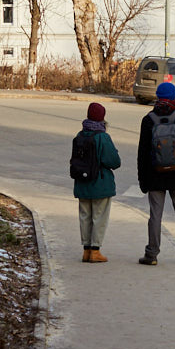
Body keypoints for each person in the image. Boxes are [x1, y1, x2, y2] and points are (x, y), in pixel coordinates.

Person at [137, 81, 175, 265]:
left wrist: (143, 179)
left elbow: (142, 153)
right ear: (174, 97)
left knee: (155, 215)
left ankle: (152, 254)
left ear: (157, 96)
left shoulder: (148, 119)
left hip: (155, 176)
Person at [74, 102, 120, 263]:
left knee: (84, 216)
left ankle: (86, 250)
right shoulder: (102, 137)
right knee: (99, 217)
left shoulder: (80, 135)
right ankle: (95, 251)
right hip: (100, 184)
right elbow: (114, 161)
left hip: (82, 183)